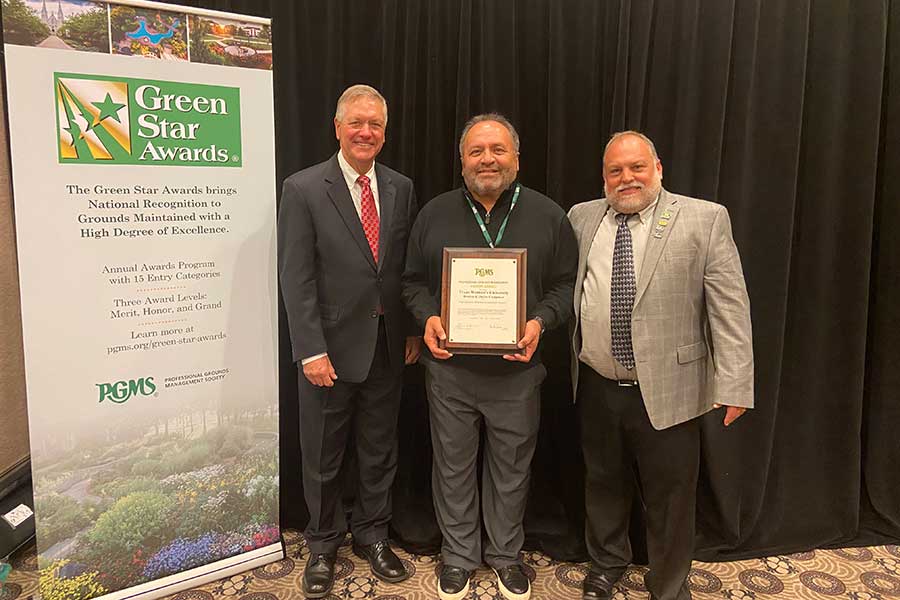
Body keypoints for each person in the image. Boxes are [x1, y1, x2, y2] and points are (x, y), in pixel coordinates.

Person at [568, 131, 754, 600]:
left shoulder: (704, 218)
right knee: (603, 481)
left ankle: (668, 584)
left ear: (658, 168)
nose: (626, 178)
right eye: (615, 170)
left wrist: (735, 382)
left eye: (637, 167)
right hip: (597, 382)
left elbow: (729, 306)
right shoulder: (581, 217)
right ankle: (605, 566)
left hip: (671, 385)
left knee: (671, 495)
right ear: (604, 176)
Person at [402, 113, 578, 600]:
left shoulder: (548, 215)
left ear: (516, 159)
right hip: (449, 371)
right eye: (477, 151)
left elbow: (566, 285)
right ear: (461, 161)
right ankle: (458, 555)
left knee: (512, 468)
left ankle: (504, 554)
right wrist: (428, 319)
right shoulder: (434, 213)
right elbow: (411, 282)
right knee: (452, 467)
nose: (488, 159)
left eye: (498, 150)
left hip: (517, 374)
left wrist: (540, 320)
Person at [278, 84, 420, 598]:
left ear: (385, 131)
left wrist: (407, 330)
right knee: (322, 452)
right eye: (356, 122)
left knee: (380, 448)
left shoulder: (401, 187)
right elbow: (295, 277)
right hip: (328, 352)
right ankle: (321, 544)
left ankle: (373, 535)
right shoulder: (303, 188)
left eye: (376, 124)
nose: (366, 132)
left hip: (387, 346)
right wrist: (310, 349)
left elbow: (401, 270)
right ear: (337, 127)